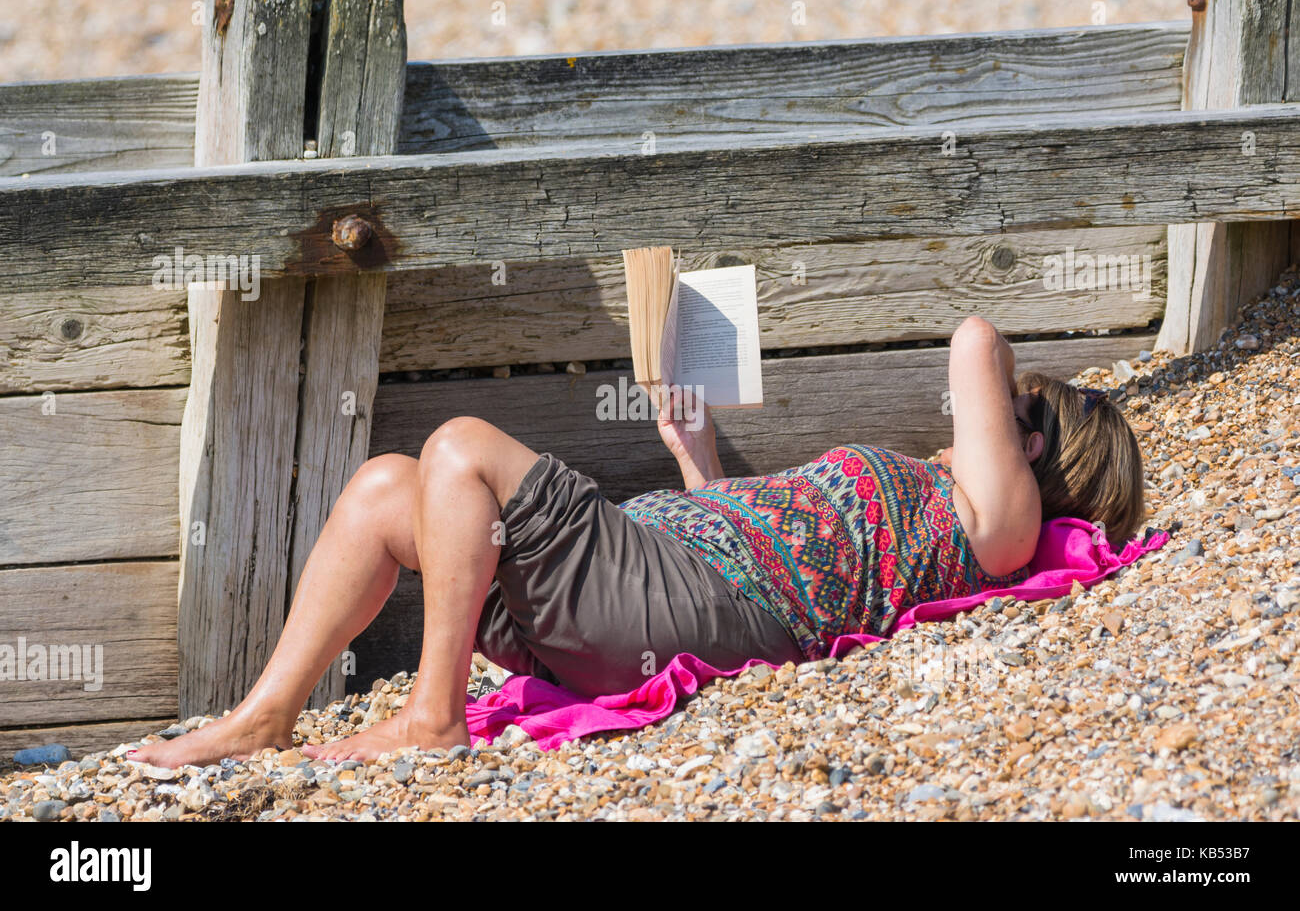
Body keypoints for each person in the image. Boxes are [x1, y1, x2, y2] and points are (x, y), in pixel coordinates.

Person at [129, 316, 1146, 767]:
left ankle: (430, 715)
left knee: (460, 449)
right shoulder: (944, 505)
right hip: (665, 576)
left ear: (1032, 453)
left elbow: (974, 333)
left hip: (682, 597)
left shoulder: (997, 529)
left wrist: (1036, 403)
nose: (976, 407)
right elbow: (772, 544)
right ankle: (265, 714)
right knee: (385, 486)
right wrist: (697, 457)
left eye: (1012, 413)